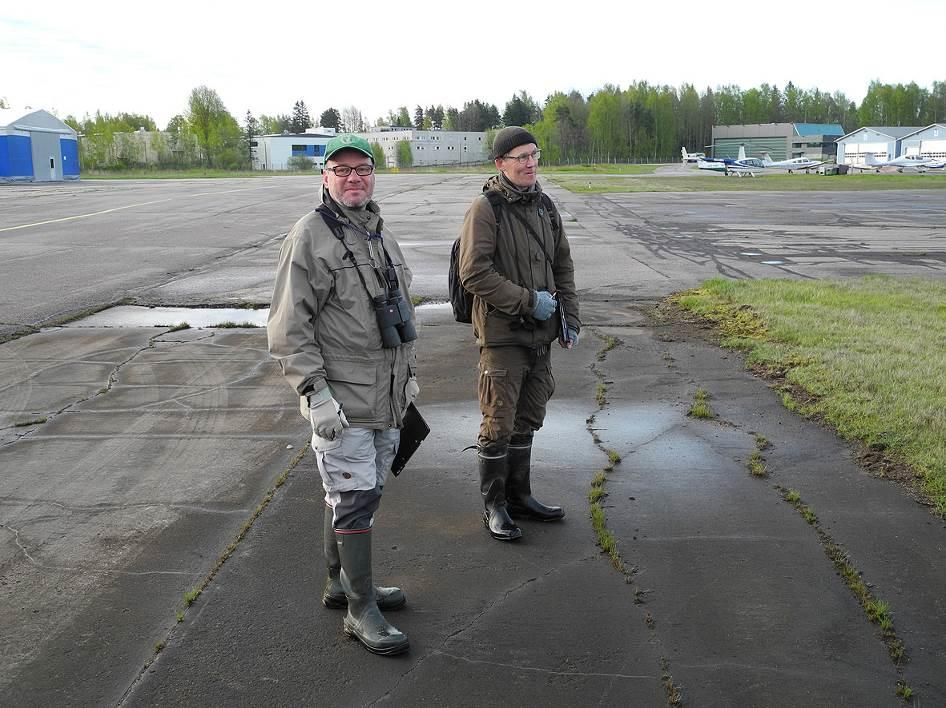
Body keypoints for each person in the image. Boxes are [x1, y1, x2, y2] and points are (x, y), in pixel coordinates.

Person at [268, 134, 418, 655]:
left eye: (363, 169)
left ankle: (342, 584)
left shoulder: (379, 234)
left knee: (362, 492)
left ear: (373, 176)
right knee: (353, 498)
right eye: (342, 170)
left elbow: (398, 313)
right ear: (325, 177)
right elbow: (289, 328)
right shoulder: (309, 236)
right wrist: (315, 392)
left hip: (386, 396)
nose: (353, 178)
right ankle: (360, 610)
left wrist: (408, 376)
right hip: (343, 400)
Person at [458, 126, 580, 542]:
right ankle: (495, 505)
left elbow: (562, 266)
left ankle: (520, 496)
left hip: (542, 336)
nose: (530, 163)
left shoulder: (545, 206)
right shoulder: (486, 208)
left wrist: (570, 318)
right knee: (499, 421)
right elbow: (474, 273)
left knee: (529, 417)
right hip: (503, 335)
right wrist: (529, 301)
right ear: (500, 164)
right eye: (520, 157)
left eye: (534, 155)